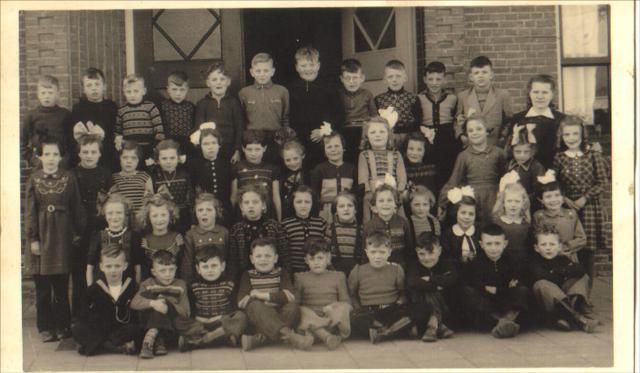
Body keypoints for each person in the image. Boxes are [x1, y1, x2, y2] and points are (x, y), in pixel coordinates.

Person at [25, 137, 86, 342]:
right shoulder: (34, 179)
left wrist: (78, 232)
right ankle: (45, 326)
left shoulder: (68, 178)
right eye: (47, 154)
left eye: (55, 154)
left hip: (62, 234)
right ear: (39, 156)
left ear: (61, 157)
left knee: (61, 284)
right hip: (41, 234)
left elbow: (76, 206)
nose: (51, 158)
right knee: (43, 286)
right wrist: (33, 238)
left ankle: (62, 325)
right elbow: (30, 211)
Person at [553, 115, 610, 296]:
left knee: (588, 252)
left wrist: (585, 198)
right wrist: (563, 198)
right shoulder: (559, 158)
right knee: (569, 248)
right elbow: (554, 183)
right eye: (567, 134)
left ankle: (587, 294)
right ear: (561, 136)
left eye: (575, 134)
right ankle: (572, 293)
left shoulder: (593, 155)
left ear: (582, 134)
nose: (571, 138)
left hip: (589, 208)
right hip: (568, 209)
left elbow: (602, 182)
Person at [237, 238, 314, 351]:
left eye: (268, 256)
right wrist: (274, 299)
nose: (263, 259)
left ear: (275, 258)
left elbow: (289, 296)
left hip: (277, 315)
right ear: (252, 259)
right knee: (255, 306)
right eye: (258, 256)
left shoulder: (281, 273)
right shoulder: (247, 275)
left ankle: (261, 339)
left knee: (292, 305)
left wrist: (261, 296)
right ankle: (290, 336)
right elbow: (241, 301)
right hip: (259, 318)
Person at [459, 224, 529, 338]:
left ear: (505, 244)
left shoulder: (512, 261)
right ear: (481, 244)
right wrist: (499, 288)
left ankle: (506, 321)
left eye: (497, 243)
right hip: (487, 308)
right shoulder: (476, 263)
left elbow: (517, 282)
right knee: (468, 293)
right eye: (489, 244)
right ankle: (502, 323)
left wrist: (496, 290)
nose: (493, 248)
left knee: (522, 291)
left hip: (506, 303)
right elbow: (474, 284)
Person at [175, 245, 248, 351]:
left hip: (221, 322)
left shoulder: (229, 284)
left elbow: (233, 308)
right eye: (205, 267)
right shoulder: (194, 286)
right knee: (178, 320)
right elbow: (191, 308)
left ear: (222, 266)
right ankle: (220, 337)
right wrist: (197, 319)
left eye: (214, 266)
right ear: (198, 269)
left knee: (241, 316)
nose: (210, 270)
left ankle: (201, 340)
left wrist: (223, 318)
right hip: (200, 323)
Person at [439, 114, 506, 226]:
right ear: (467, 134)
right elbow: (454, 181)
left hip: (493, 197)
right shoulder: (463, 156)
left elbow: (505, 178)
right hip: (473, 198)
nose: (475, 133)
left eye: (479, 129)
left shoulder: (498, 153)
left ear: (487, 131)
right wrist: (442, 203)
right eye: (471, 130)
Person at [71, 133, 112, 318]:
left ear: (100, 154)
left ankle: (102, 312)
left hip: (101, 227)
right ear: (79, 153)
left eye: (93, 152)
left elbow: (111, 201)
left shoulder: (106, 174)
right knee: (80, 272)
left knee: (99, 270)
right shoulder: (73, 174)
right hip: (79, 230)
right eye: (85, 152)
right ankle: (80, 315)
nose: (89, 155)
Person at [72, 247, 141, 356]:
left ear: (125, 266)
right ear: (101, 267)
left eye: (117, 266)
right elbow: (82, 312)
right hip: (100, 327)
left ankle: (98, 345)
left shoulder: (131, 286)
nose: (113, 270)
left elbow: (136, 313)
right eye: (108, 266)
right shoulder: (94, 288)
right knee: (77, 328)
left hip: (121, 328)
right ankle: (114, 347)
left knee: (136, 329)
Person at [530, 225, 598, 332]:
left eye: (552, 244)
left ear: (559, 247)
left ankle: (566, 317)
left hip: (565, 299)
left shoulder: (562, 259)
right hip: (547, 305)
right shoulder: (534, 262)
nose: (548, 248)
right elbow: (541, 276)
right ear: (536, 248)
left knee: (582, 277)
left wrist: (559, 273)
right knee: (542, 284)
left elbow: (580, 269)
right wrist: (564, 273)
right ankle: (578, 319)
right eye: (543, 244)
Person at [348, 232, 413, 344]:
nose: (377, 256)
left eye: (382, 252)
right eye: (373, 252)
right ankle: (396, 330)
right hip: (369, 312)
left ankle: (384, 331)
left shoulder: (396, 269)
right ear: (366, 252)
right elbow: (352, 294)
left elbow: (403, 293)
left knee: (421, 309)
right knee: (353, 319)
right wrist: (358, 309)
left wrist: (400, 302)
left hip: (391, 310)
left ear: (389, 252)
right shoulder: (358, 270)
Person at [288, 46, 344, 168]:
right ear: (297, 67)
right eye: (303, 66)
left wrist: (323, 131)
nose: (308, 69)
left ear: (318, 66)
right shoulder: (291, 90)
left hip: (324, 140)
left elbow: (339, 114)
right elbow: (289, 115)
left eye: (311, 65)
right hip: (300, 139)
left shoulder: (329, 88)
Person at [295, 238, 352, 350]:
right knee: (300, 310)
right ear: (306, 260)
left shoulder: (338, 276)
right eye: (312, 259)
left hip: (331, 319)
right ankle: (327, 337)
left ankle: (318, 334)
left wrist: (333, 307)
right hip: (311, 318)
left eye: (320, 258)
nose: (316, 262)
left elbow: (346, 302)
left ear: (328, 258)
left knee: (343, 307)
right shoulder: (300, 277)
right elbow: (296, 303)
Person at [131, 250, 190, 358]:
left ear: (176, 269)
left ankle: (150, 340)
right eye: (162, 271)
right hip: (149, 321)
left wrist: (169, 306)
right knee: (154, 301)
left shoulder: (180, 285)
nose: (168, 274)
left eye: (171, 270)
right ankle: (158, 341)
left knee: (164, 302)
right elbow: (134, 303)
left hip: (171, 323)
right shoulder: (148, 284)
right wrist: (153, 303)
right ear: (154, 272)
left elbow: (185, 312)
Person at [504, 74, 565, 169]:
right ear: (529, 93)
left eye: (545, 92)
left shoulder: (562, 120)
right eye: (536, 92)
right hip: (524, 175)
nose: (540, 96)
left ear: (552, 94)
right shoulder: (517, 120)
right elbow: (509, 151)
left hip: (554, 174)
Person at [239, 52, 290, 163]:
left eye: (266, 71)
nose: (262, 74)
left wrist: (284, 137)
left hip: (276, 137)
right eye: (258, 71)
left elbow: (286, 117)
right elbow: (241, 118)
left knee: (275, 166)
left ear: (272, 71)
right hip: (253, 138)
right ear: (252, 72)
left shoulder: (282, 91)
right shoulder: (244, 92)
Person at [229, 184, 289, 279]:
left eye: (255, 202)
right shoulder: (236, 230)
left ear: (263, 205)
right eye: (246, 203)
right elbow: (233, 262)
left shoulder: (274, 226)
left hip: (273, 277)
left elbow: (284, 256)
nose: (251, 206)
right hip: (246, 279)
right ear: (241, 207)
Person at [406, 232, 457, 342]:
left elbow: (453, 279)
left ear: (439, 250)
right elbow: (412, 282)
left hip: (445, 310)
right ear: (416, 252)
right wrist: (436, 286)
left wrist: (430, 279)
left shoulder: (446, 263)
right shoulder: (414, 265)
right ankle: (436, 326)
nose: (427, 258)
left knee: (429, 292)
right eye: (422, 254)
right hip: (422, 310)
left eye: (431, 253)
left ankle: (434, 324)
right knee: (429, 292)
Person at [417, 61, 460, 189]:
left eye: (438, 79)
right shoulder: (419, 98)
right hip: (428, 140)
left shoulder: (452, 98)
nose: (434, 83)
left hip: (447, 141)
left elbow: (456, 120)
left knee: (446, 174)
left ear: (444, 79)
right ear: (425, 79)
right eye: (430, 79)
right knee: (430, 176)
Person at [86, 193, 143, 286]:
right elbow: (90, 266)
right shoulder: (97, 236)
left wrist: (137, 288)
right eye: (110, 213)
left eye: (119, 212)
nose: (114, 217)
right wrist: (90, 288)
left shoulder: (134, 236)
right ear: (105, 214)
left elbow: (137, 266)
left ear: (125, 214)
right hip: (103, 286)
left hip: (127, 286)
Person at [533, 170, 587, 268]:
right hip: (545, 258)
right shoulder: (538, 216)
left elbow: (582, 239)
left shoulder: (571, 215)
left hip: (567, 256)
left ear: (563, 197)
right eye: (548, 197)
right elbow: (535, 238)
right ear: (541, 200)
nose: (553, 200)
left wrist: (565, 247)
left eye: (557, 195)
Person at [455, 56, 512, 146]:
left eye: (484, 72)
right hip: (471, 146)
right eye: (476, 73)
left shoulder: (503, 95)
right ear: (471, 77)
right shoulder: (463, 96)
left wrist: (503, 137)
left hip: (495, 146)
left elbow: (509, 120)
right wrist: (462, 136)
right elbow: (457, 121)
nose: (480, 76)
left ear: (491, 75)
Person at [195, 60, 244, 164]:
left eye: (222, 79)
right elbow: (199, 130)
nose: (218, 82)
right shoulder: (202, 104)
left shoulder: (234, 103)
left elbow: (239, 128)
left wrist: (237, 150)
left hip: (230, 149)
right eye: (214, 79)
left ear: (228, 82)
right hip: (210, 149)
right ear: (208, 83)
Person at [358, 116, 407, 219]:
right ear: (367, 137)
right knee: (372, 220)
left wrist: (399, 191)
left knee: (397, 219)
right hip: (373, 194)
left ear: (388, 135)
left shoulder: (396, 155)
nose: (377, 135)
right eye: (373, 132)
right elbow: (363, 178)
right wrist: (368, 192)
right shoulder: (364, 155)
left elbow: (402, 177)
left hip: (393, 193)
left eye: (382, 132)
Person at [70, 67, 119, 169]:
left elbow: (116, 130)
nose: (94, 88)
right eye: (89, 85)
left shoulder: (111, 107)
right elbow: (74, 136)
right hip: (87, 157)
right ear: (83, 89)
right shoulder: (78, 108)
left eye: (97, 84)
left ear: (104, 86)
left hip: (107, 155)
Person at [21, 75, 73, 169]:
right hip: (39, 165)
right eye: (43, 93)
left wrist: (66, 160)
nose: (47, 96)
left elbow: (72, 141)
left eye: (50, 93)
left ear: (57, 94)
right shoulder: (31, 116)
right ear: (38, 94)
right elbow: (21, 142)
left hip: (62, 164)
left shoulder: (65, 115)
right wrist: (33, 159)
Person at [231, 130, 282, 221]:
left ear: (264, 148)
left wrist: (279, 220)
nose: (253, 153)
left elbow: (276, 197)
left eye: (257, 149)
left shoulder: (272, 169)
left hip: (267, 216)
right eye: (249, 149)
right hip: (243, 217)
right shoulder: (237, 168)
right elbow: (234, 197)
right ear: (243, 149)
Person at [114, 74, 164, 164]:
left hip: (148, 149)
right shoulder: (122, 110)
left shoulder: (150, 107)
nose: (132, 95)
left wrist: (154, 148)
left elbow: (159, 130)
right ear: (124, 92)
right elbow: (118, 131)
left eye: (136, 91)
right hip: (129, 151)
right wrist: (118, 140)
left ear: (143, 91)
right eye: (129, 92)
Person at [181, 193, 229, 285]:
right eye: (200, 210)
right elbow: (187, 263)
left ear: (217, 212)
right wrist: (189, 285)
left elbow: (230, 260)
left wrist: (229, 281)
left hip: (223, 283)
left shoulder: (224, 232)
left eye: (209, 210)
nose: (204, 213)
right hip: (198, 284)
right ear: (195, 213)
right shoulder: (191, 235)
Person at [310, 129, 356, 224]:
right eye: (329, 147)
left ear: (343, 148)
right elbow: (315, 194)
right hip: (326, 212)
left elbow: (356, 194)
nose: (333, 149)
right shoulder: (319, 169)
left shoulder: (351, 169)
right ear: (324, 151)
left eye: (337, 146)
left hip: (347, 211)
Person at [188, 124, 232, 222]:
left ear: (219, 145)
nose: (210, 147)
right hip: (204, 210)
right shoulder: (195, 165)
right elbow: (192, 191)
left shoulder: (226, 165)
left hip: (224, 209)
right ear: (200, 146)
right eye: (206, 144)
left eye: (213, 143)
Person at [362, 184, 414, 270]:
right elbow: (364, 255)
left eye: (389, 200)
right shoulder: (369, 226)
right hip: (377, 271)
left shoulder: (403, 223)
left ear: (396, 204)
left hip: (400, 269)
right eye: (381, 201)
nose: (385, 204)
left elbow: (409, 252)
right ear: (374, 206)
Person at [137, 188, 185, 280]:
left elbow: (181, 266)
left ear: (170, 215)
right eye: (155, 216)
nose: (159, 220)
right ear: (148, 218)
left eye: (163, 215)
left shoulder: (177, 238)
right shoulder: (145, 240)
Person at [149, 139, 194, 233]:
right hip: (162, 219)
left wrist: (193, 221)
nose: (168, 162)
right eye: (164, 158)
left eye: (172, 158)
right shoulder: (155, 176)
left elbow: (191, 200)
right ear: (157, 160)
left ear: (178, 158)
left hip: (183, 218)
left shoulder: (185, 174)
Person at [338, 58, 377, 164]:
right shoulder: (338, 94)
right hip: (345, 130)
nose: (351, 82)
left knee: (363, 158)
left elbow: (374, 116)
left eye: (355, 77)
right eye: (347, 78)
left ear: (362, 78)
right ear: (341, 79)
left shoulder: (367, 94)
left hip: (362, 130)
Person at [374, 60, 422, 145]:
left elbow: (418, 121)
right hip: (387, 138)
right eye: (390, 77)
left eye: (398, 76)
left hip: (408, 137)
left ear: (405, 78)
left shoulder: (413, 98)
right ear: (385, 79)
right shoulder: (379, 99)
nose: (394, 80)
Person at [281, 185, 327, 274]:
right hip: (294, 271)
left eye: (307, 202)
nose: (303, 205)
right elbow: (285, 253)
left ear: (313, 203)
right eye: (298, 202)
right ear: (292, 203)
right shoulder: (285, 224)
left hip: (316, 271)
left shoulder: (321, 223)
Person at [491, 173, 533, 267]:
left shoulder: (525, 224)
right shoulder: (498, 223)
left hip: (523, 263)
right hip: (503, 263)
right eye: (509, 201)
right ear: (503, 203)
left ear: (523, 203)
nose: (513, 205)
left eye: (517, 201)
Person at [110, 140, 154, 227]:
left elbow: (151, 200)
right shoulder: (113, 178)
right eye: (125, 157)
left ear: (138, 160)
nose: (129, 161)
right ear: (119, 158)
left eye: (133, 158)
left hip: (141, 222)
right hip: (121, 221)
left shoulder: (145, 177)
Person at [325, 192, 364, 276]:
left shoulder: (361, 230)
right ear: (336, 211)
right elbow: (325, 251)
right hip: (334, 272)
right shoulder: (330, 229)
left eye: (350, 205)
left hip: (356, 272)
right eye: (341, 206)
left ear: (355, 210)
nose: (346, 209)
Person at [440, 186, 480, 268]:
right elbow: (445, 258)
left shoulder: (479, 232)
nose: (467, 217)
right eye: (463, 213)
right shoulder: (448, 235)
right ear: (456, 213)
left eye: (471, 214)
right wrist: (461, 259)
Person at [159, 71, 195, 160]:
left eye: (182, 89)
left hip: (186, 144)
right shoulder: (162, 106)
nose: (178, 93)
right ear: (168, 89)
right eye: (174, 89)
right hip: (168, 144)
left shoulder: (191, 107)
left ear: (187, 90)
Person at [504, 124, 546, 200]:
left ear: (532, 151)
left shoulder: (536, 166)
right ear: (512, 151)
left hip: (530, 202)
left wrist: (525, 199)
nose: (522, 155)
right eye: (518, 152)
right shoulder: (510, 165)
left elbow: (539, 189)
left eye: (526, 152)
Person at [403, 132, 438, 202]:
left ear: (425, 151)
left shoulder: (431, 169)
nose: (415, 153)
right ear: (406, 149)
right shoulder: (402, 169)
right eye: (411, 149)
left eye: (419, 150)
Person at [279, 140, 309, 219]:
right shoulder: (283, 177)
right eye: (288, 160)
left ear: (302, 156)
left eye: (295, 158)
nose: (292, 163)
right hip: (288, 214)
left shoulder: (309, 175)